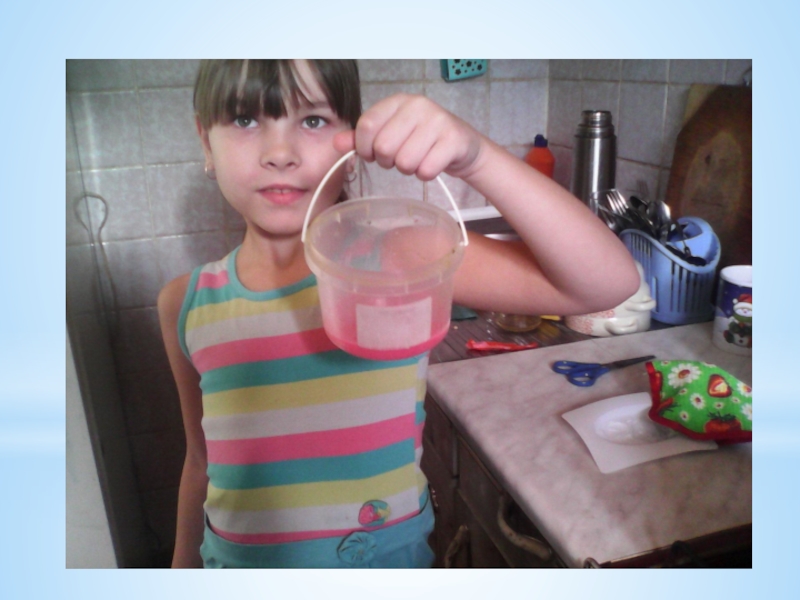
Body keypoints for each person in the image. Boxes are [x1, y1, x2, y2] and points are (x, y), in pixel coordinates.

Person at [158, 59, 640, 569]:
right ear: (206, 142)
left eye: (313, 120)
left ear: (353, 145)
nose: (280, 153)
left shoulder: (397, 261)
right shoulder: (185, 304)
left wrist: (476, 156)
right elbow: (201, 460)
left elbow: (608, 283)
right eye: (244, 119)